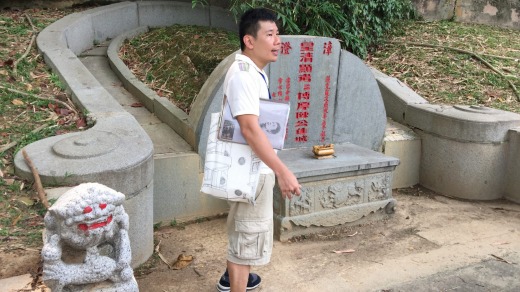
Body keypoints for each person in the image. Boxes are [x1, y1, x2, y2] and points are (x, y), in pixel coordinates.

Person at [216, 7, 301, 292]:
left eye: (278, 34)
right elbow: (250, 129)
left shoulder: (253, 72)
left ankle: (236, 280)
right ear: (249, 41)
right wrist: (282, 171)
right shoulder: (243, 75)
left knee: (246, 234)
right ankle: (237, 282)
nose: (278, 41)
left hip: (252, 168)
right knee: (246, 238)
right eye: (270, 34)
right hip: (250, 171)